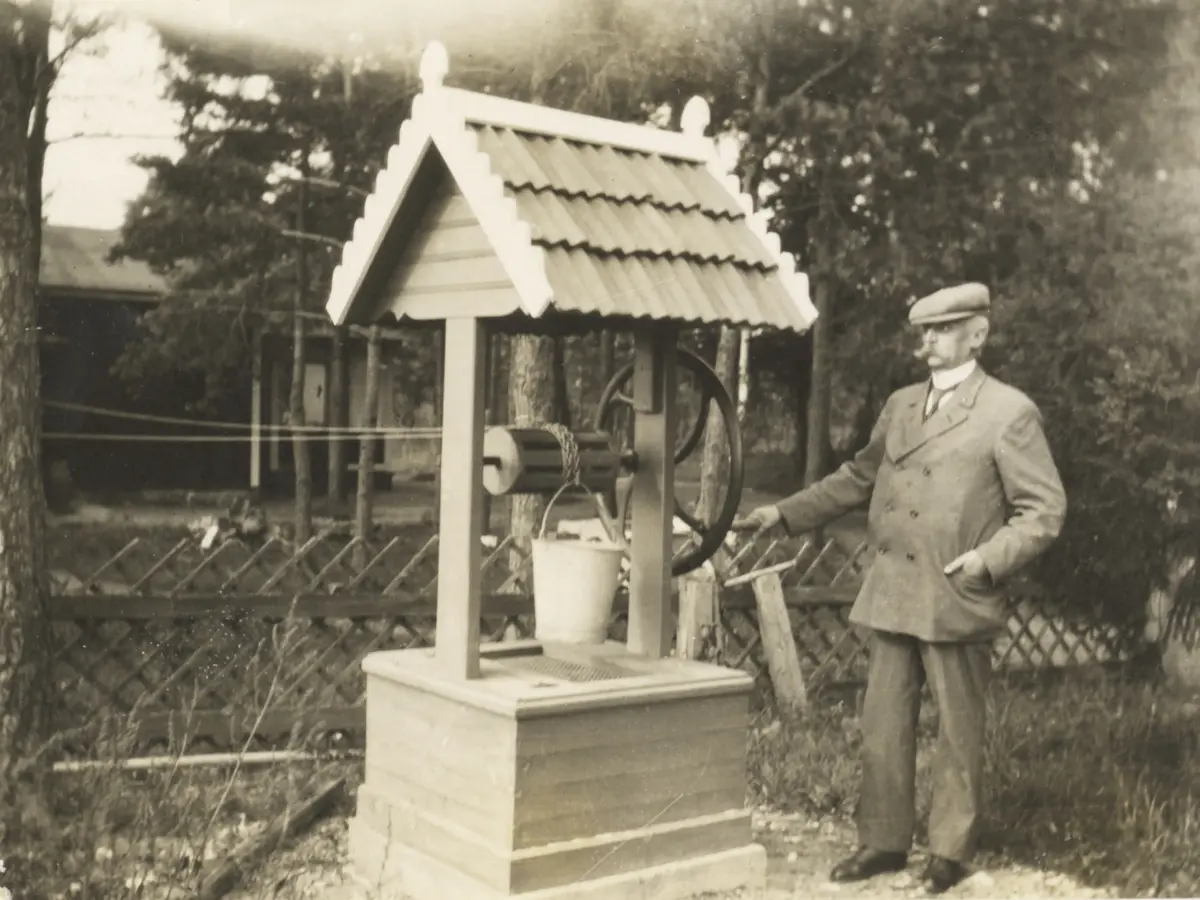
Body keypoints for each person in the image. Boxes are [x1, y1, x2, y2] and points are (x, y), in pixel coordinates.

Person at [744, 283, 1066, 895]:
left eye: (944, 330)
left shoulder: (1008, 412)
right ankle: (883, 843)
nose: (929, 342)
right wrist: (784, 514)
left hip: (955, 592)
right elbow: (856, 478)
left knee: (957, 730)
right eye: (925, 331)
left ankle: (949, 852)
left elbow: (1043, 510)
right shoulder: (900, 406)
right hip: (893, 589)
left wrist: (987, 560)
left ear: (978, 334)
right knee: (883, 723)